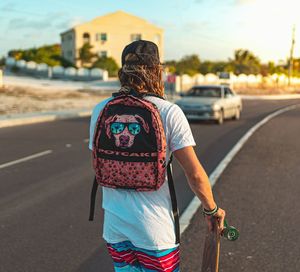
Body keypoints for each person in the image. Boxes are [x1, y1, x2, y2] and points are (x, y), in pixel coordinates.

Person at [89, 40, 225, 272]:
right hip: (154, 232)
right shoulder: (168, 111)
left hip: (115, 229)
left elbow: (100, 162)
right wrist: (211, 209)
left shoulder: (101, 109)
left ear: (122, 71)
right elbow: (195, 175)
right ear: (156, 71)